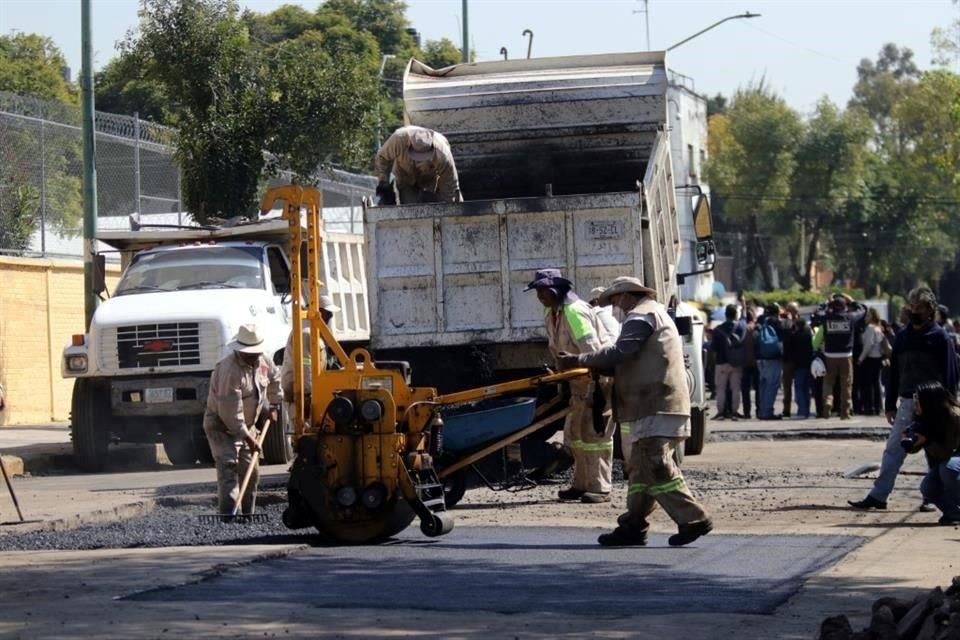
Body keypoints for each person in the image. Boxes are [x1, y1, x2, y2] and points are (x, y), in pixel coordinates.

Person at [557, 276, 712, 547]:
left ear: (627, 295)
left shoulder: (641, 316)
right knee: (640, 472)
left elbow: (620, 353)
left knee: (656, 464)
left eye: (616, 300)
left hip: (657, 404)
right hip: (655, 403)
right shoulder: (652, 314)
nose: (615, 306)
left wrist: (578, 360)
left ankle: (694, 518)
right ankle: (633, 525)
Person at [849, 287, 958, 510]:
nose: (916, 310)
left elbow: (950, 375)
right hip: (908, 403)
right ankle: (879, 496)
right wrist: (890, 405)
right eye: (913, 306)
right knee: (894, 449)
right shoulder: (903, 338)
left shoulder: (940, 338)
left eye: (921, 307)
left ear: (931, 310)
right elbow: (895, 373)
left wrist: (949, 407)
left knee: (936, 453)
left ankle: (932, 497)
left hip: (936, 405)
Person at [526, 269, 615, 503]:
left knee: (595, 434)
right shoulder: (552, 312)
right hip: (575, 381)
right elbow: (558, 350)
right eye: (538, 291)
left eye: (543, 291)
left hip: (594, 380)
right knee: (575, 434)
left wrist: (589, 379)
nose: (540, 296)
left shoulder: (575, 312)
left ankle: (599, 487)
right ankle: (581, 483)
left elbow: (593, 351)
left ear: (555, 290)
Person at [203, 324, 283, 518]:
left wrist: (274, 406)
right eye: (249, 354)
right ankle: (229, 516)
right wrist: (248, 438)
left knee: (251, 471)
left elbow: (275, 380)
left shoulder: (264, 362)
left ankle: (248, 515)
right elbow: (231, 414)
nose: (253, 357)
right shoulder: (229, 371)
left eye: (255, 353)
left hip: (247, 426)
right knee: (229, 467)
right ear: (239, 350)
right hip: (221, 426)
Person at [902, 381, 960, 524]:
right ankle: (954, 514)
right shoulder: (925, 417)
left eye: (918, 402)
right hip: (951, 458)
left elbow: (947, 451)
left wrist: (926, 441)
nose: (915, 406)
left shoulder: (954, 417)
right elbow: (916, 447)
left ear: (929, 402)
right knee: (928, 487)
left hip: (954, 456)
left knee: (948, 469)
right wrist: (911, 442)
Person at [281, 294, 341, 419]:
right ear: (320, 312)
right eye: (328, 314)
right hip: (301, 393)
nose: (330, 317)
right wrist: (308, 395)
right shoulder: (306, 333)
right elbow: (305, 364)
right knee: (303, 429)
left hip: (309, 390)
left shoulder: (314, 331)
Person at [374, 125, 462, 204]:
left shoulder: (442, 152)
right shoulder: (398, 139)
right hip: (405, 177)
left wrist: (447, 205)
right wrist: (383, 182)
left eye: (424, 158)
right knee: (409, 209)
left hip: (431, 179)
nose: (420, 161)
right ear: (409, 146)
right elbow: (382, 157)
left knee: (435, 206)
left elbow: (450, 181)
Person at [820, 294, 866, 420]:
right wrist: (852, 300)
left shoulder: (827, 318)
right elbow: (862, 310)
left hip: (830, 355)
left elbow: (817, 313)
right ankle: (845, 411)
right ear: (844, 306)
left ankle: (828, 402)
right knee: (846, 384)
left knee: (828, 382)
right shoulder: (850, 317)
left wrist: (826, 303)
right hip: (846, 355)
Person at [711, 304, 745, 421]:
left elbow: (713, 349)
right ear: (736, 314)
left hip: (721, 362)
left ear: (725, 315)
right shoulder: (740, 328)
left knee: (720, 389)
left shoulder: (718, 329)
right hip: (736, 363)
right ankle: (735, 411)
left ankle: (720, 412)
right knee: (735, 388)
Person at [756, 304, 784, 420]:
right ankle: (767, 412)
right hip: (773, 358)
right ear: (777, 312)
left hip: (760, 358)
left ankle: (761, 411)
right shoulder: (777, 324)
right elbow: (781, 341)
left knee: (763, 385)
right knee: (772, 386)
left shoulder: (760, 321)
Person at [858, 307, 886, 416]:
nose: (866, 317)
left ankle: (869, 408)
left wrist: (861, 358)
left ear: (872, 316)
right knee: (876, 383)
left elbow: (868, 345)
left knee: (868, 385)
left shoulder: (870, 328)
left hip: (869, 358)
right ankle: (878, 406)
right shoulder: (879, 328)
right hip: (878, 358)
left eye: (868, 315)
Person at [791, 318, 814, 419]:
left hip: (798, 365)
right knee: (806, 389)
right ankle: (807, 411)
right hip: (809, 364)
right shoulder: (809, 335)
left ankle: (802, 411)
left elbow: (791, 350)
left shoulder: (795, 336)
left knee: (799, 388)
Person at [780, 302, 800, 418]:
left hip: (788, 359)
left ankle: (787, 409)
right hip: (798, 359)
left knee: (787, 387)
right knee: (799, 386)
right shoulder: (801, 323)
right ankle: (801, 408)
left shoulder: (784, 324)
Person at [740, 310, 759, 419]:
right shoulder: (756, 328)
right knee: (758, 389)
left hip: (744, 362)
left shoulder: (742, 329)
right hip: (756, 362)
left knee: (745, 390)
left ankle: (746, 412)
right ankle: (759, 410)